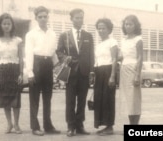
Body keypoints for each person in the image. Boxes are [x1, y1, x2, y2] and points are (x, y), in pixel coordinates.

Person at [56, 8, 94, 137]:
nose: (79, 20)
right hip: (71, 72)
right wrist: (64, 58)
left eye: (81, 18)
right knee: (70, 100)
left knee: (82, 100)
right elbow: (59, 51)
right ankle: (70, 126)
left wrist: (92, 72)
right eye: (77, 18)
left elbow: (91, 55)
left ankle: (80, 126)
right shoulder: (64, 35)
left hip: (84, 72)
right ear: (71, 19)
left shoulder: (88, 36)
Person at [25, 6, 60, 136]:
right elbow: (28, 53)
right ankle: (35, 127)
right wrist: (29, 71)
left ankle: (48, 125)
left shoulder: (52, 33)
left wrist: (58, 69)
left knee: (47, 97)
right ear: (36, 18)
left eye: (45, 16)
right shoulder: (31, 34)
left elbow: (53, 53)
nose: (43, 19)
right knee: (34, 98)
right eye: (40, 17)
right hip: (36, 64)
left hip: (48, 65)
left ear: (48, 17)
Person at [0, 13, 23, 134]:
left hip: (15, 70)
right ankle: (9, 124)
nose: (6, 26)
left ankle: (16, 124)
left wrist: (21, 73)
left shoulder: (18, 40)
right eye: (4, 23)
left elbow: (21, 58)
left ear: (12, 25)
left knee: (16, 99)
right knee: (5, 99)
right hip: (3, 71)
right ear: (0, 25)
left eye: (8, 23)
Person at [93, 18, 117, 135]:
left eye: (104, 28)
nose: (101, 30)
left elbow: (114, 60)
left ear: (109, 29)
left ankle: (110, 127)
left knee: (108, 99)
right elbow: (97, 60)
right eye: (99, 28)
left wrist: (112, 76)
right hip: (99, 71)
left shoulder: (112, 42)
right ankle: (104, 125)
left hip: (108, 71)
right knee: (99, 99)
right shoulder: (98, 45)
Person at [119, 15, 143, 125]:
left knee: (134, 99)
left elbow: (140, 57)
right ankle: (130, 124)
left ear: (135, 26)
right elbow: (121, 56)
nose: (128, 26)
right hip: (124, 69)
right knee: (127, 99)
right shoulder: (123, 40)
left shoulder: (138, 39)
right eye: (126, 24)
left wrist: (137, 75)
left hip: (133, 69)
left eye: (130, 24)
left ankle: (135, 125)